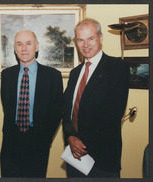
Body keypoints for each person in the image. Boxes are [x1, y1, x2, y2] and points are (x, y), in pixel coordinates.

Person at [62, 18, 129, 178]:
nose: (85, 45)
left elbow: (113, 114)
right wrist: (70, 136)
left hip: (102, 159)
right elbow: (66, 110)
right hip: (73, 157)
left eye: (90, 38)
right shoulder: (75, 73)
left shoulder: (117, 67)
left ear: (100, 38)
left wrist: (81, 144)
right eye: (80, 40)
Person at [0, 30, 63, 178]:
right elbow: (7, 107)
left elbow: (57, 111)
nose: (24, 48)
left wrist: (45, 138)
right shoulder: (7, 75)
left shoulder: (53, 76)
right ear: (15, 49)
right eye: (19, 44)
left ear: (37, 46)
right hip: (11, 142)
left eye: (28, 43)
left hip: (38, 142)